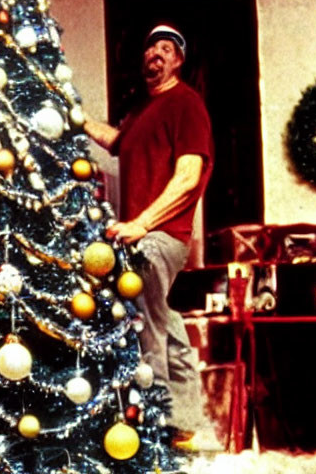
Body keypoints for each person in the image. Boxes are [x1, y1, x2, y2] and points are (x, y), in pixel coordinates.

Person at [80, 24, 221, 451]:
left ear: (178, 60)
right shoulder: (145, 109)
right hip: (145, 234)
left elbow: (188, 176)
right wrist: (77, 120)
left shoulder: (186, 104)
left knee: (146, 327)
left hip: (159, 237)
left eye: (166, 49)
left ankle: (156, 429)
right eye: (151, 49)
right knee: (167, 323)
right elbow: (117, 141)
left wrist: (142, 223)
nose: (155, 55)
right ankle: (186, 425)